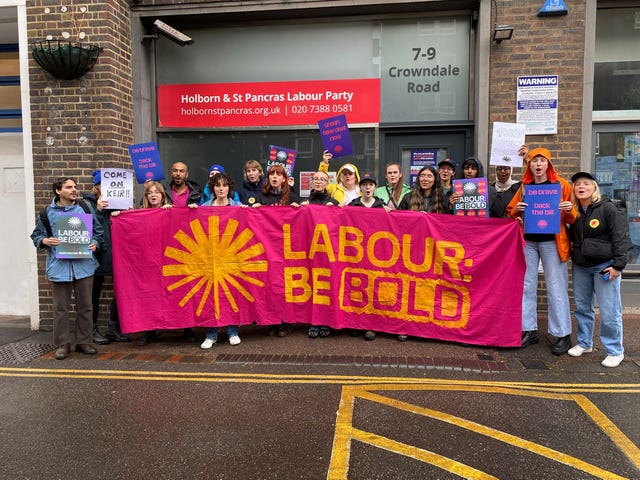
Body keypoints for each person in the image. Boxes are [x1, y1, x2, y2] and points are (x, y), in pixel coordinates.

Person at [506, 147, 578, 355]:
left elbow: (573, 217)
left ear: (549, 164)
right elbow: (511, 212)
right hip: (528, 242)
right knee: (526, 285)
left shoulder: (562, 185)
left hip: (553, 243)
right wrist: (516, 210)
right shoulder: (524, 187)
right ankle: (529, 330)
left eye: (541, 161)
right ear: (529, 165)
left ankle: (563, 334)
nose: (538, 165)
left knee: (556, 287)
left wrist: (568, 211)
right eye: (534, 161)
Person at [30, 177, 104, 360]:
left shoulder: (85, 208)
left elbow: (99, 233)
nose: (74, 190)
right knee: (60, 308)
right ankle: (63, 344)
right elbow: (37, 235)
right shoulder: (46, 212)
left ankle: (84, 342)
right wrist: (45, 241)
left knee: (86, 306)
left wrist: (94, 243)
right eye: (69, 187)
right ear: (58, 191)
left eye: (75, 187)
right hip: (59, 267)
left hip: (84, 266)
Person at [116, 181, 197, 346]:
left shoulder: (171, 211)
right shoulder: (139, 214)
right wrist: (120, 217)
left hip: (172, 260)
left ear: (163, 195)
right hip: (149, 262)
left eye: (156, 192)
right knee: (149, 295)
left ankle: (187, 328)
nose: (153, 195)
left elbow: (185, 225)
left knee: (179, 293)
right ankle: (150, 331)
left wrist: (186, 210)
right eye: (149, 193)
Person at [567, 172, 632, 367]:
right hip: (581, 266)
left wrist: (618, 265)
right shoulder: (574, 211)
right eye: (577, 184)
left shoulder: (608, 208)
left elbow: (621, 237)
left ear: (594, 188)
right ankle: (585, 343)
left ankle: (614, 350)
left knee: (609, 310)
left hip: (605, 266)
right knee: (582, 308)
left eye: (586, 183)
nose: (581, 187)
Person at [193, 172, 243, 349]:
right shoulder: (203, 207)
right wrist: (190, 212)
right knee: (210, 297)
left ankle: (233, 331)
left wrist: (253, 210)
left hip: (231, 259)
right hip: (209, 259)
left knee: (230, 295)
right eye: (217, 185)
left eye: (224, 185)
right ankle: (211, 334)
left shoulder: (238, 207)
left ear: (229, 188)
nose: (221, 189)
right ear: (212, 188)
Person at [253, 164, 299, 336]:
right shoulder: (262, 196)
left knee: (285, 285)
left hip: (286, 248)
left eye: (278, 174)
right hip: (267, 248)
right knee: (271, 285)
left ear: (284, 179)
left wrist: (297, 208)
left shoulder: (291, 196)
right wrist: (253, 210)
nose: (274, 177)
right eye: (271, 174)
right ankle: (273, 321)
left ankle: (285, 322)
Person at [84, 170, 129, 344]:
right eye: (103, 184)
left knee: (121, 291)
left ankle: (113, 327)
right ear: (96, 187)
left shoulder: (118, 204)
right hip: (97, 256)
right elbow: (87, 227)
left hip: (117, 254)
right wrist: (99, 210)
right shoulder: (87, 205)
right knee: (94, 293)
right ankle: (92, 329)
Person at [349, 173, 387, 340]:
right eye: (364, 185)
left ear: (375, 187)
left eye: (371, 184)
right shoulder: (353, 204)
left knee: (373, 289)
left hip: (375, 255)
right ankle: (357, 322)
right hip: (356, 255)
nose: (367, 188)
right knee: (357, 287)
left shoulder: (381, 206)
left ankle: (371, 325)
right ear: (360, 187)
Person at [489, 145, 527, 218]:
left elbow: (531, 178)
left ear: (511, 171)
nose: (503, 172)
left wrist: (526, 160)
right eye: (499, 169)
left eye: (506, 169)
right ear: (496, 171)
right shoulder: (490, 190)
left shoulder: (518, 187)